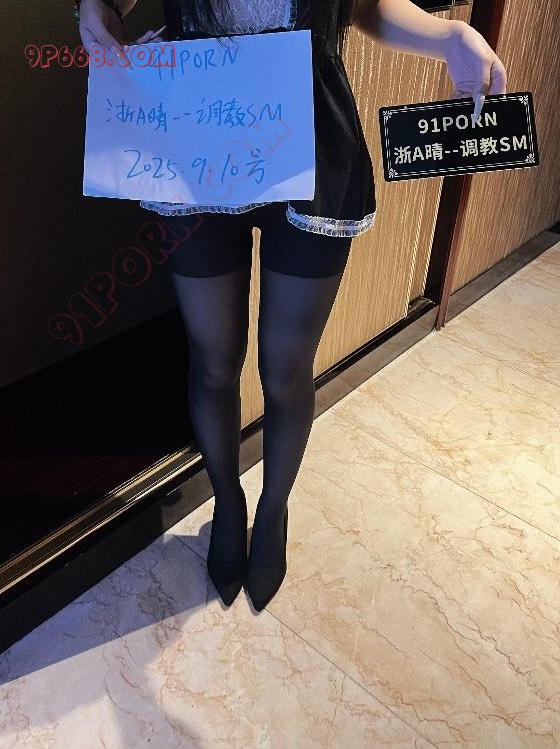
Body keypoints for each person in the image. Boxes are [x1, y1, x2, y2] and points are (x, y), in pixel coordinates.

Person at [76, 0, 507, 610]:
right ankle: (228, 502)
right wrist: (94, 14)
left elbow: (364, 5)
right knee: (213, 360)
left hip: (311, 133)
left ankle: (273, 508)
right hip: (197, 122)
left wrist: (448, 35)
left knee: (285, 368)